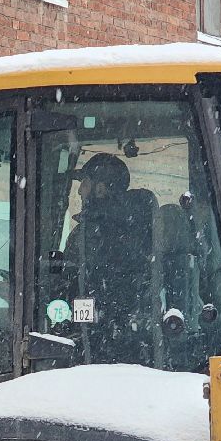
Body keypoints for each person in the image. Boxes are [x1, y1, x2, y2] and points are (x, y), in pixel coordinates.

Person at [61, 152, 158, 363]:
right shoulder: (141, 232)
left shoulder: (88, 236)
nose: (79, 190)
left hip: (92, 343)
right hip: (131, 342)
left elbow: (68, 285)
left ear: (100, 189)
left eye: (84, 183)